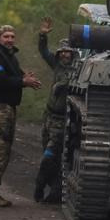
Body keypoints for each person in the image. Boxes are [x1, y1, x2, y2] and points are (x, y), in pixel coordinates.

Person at [0, 25, 41, 207]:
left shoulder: (9, 56)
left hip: (8, 106)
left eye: (12, 36)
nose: (10, 39)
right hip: (0, 106)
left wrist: (25, 78)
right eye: (6, 36)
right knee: (1, 147)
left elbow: (15, 75)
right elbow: (0, 80)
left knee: (3, 148)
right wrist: (23, 81)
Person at [33, 17, 77, 204]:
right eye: (62, 52)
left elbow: (72, 84)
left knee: (49, 157)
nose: (65, 55)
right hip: (49, 116)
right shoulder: (57, 65)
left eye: (68, 52)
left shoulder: (77, 69)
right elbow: (43, 52)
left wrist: (62, 84)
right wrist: (42, 35)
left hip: (61, 120)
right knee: (49, 154)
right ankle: (56, 190)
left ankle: (39, 185)